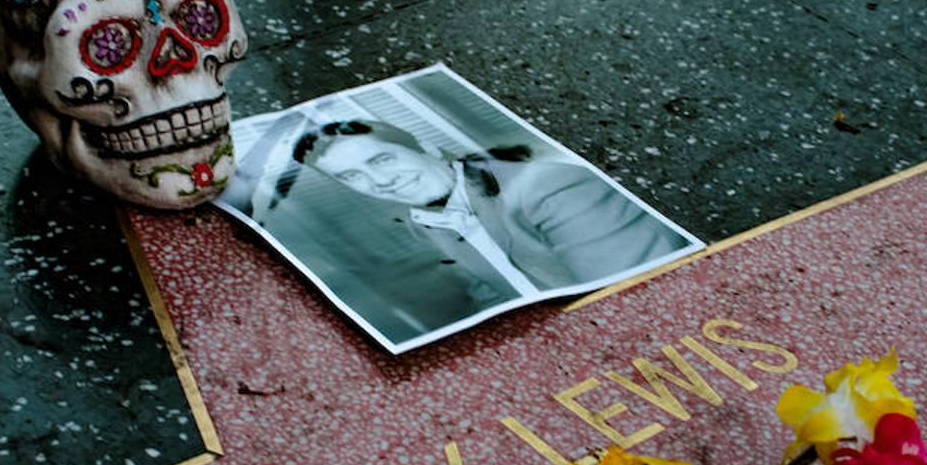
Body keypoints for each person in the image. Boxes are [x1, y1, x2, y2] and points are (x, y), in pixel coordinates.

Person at [289, 120, 689, 292]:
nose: (380, 182)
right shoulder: (422, 223)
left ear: (426, 147)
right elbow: (491, 288)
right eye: (353, 177)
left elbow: (636, 292)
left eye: (382, 159)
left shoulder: (543, 186)